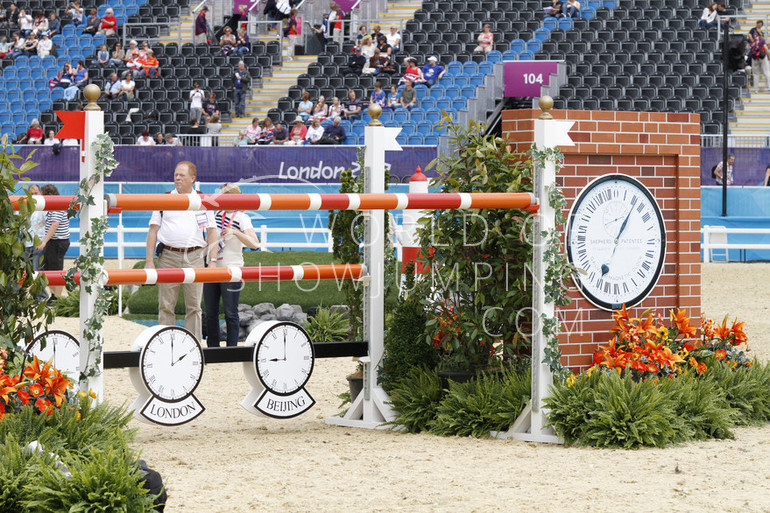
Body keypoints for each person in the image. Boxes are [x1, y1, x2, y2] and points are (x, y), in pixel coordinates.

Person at [146, 161, 218, 342]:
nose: (177, 178)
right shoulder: (163, 199)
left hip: (195, 256)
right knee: (166, 305)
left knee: (194, 306)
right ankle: (165, 344)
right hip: (168, 256)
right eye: (175, 174)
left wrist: (213, 261)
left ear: (193, 179)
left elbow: (211, 232)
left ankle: (194, 345)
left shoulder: (203, 201)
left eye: (181, 175)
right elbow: (153, 230)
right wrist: (149, 261)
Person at [203, 183, 259, 347]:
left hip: (232, 270)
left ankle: (232, 348)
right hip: (212, 268)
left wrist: (235, 232)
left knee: (230, 312)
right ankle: (213, 348)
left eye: (224, 195)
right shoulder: (215, 215)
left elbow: (255, 244)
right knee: (211, 313)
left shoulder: (242, 218)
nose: (220, 199)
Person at [37, 183, 70, 303]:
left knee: (56, 269)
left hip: (58, 241)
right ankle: (54, 295)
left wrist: (44, 242)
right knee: (48, 268)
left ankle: (57, 297)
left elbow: (54, 224)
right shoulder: (52, 207)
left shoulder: (57, 206)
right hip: (53, 241)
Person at [26, 184, 47, 281]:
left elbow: (49, 224)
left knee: (36, 271)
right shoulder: (26, 207)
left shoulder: (45, 208)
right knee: (26, 271)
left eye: (36, 193)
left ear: (40, 193)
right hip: (27, 244)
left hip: (38, 244)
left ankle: (41, 295)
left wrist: (43, 242)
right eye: (31, 194)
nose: (34, 195)